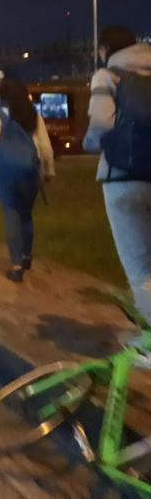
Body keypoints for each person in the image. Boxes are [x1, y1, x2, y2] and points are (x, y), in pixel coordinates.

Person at [83, 26, 151, 326]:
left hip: (122, 180)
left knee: (141, 268)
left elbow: (102, 123)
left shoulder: (107, 76)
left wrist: (89, 144)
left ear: (104, 50)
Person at [0, 77, 54, 282]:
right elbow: (46, 147)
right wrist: (49, 172)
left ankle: (16, 267)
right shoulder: (33, 115)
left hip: (5, 174)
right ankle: (26, 256)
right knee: (26, 215)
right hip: (31, 172)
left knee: (11, 215)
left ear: (2, 96)